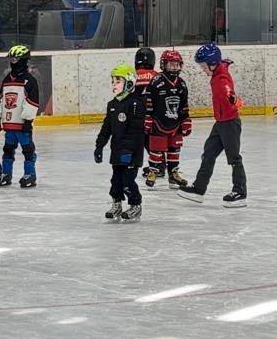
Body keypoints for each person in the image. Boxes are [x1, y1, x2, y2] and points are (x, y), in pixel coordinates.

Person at [174, 43, 247, 207]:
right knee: (208, 154)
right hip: (220, 123)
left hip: (230, 123)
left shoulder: (221, 78)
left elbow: (227, 89)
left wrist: (232, 98)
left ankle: (240, 192)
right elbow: (224, 65)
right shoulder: (218, 70)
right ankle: (198, 189)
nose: (203, 70)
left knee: (234, 158)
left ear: (213, 64)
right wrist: (226, 62)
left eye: (204, 67)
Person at [95, 63, 146, 222]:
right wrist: (99, 146)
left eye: (118, 81)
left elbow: (136, 130)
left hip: (131, 152)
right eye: (113, 81)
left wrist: (129, 149)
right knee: (116, 181)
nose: (114, 84)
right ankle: (116, 204)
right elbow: (106, 128)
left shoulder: (135, 103)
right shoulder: (112, 104)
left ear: (129, 83)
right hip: (117, 151)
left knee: (127, 181)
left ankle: (135, 205)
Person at [142, 48, 192, 189]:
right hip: (158, 123)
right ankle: (153, 171)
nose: (174, 67)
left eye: (177, 65)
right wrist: (148, 118)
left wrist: (186, 120)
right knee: (156, 149)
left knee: (174, 149)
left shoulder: (181, 84)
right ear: (164, 64)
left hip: (175, 124)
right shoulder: (156, 81)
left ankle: (173, 174)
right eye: (171, 64)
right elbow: (149, 101)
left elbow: (184, 105)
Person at [0, 44, 41, 188]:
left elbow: (32, 102)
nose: (13, 62)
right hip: (9, 124)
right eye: (11, 59)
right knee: (8, 149)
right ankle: (6, 174)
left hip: (22, 125)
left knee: (28, 150)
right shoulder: (7, 79)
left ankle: (30, 174)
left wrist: (27, 120)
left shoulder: (30, 81)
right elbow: (1, 99)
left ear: (24, 60)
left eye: (15, 59)